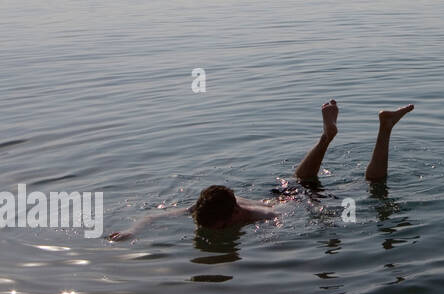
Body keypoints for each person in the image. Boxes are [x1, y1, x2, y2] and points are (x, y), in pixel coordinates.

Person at [107, 100, 414, 240]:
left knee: (371, 186)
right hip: (285, 194)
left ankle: (384, 128)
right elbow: (152, 216)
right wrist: (132, 231)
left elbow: (292, 220)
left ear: (234, 216)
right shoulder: (207, 208)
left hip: (295, 202)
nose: (207, 231)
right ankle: (326, 136)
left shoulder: (262, 217)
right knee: (302, 180)